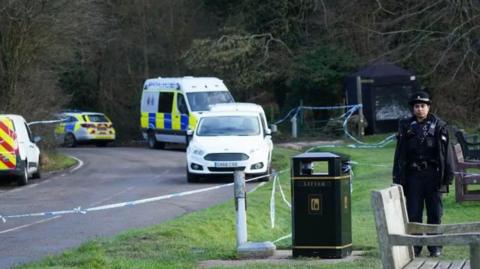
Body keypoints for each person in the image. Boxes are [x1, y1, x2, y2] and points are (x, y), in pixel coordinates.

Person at [393, 91, 454, 257]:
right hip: (413, 176)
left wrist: (448, 175)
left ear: (428, 107)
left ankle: (435, 246)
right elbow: (399, 154)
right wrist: (397, 177)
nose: (419, 109)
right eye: (416, 106)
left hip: (433, 175)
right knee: (414, 213)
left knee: (435, 212)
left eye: (422, 106)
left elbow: (446, 152)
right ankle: (416, 246)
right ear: (413, 108)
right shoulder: (405, 126)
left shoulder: (439, 125)